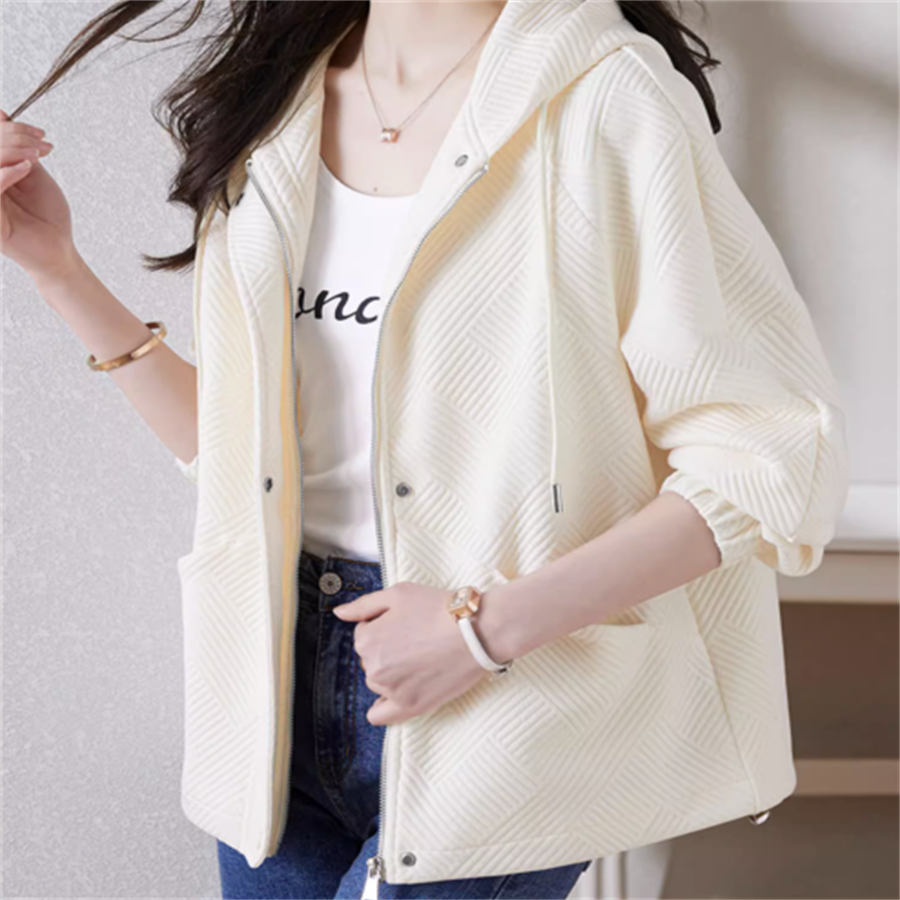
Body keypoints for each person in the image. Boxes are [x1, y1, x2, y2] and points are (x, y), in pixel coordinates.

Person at [1, 1, 849, 898]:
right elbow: (243, 462)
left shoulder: (606, 93)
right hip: (269, 696)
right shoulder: (277, 106)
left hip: (502, 695)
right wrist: (56, 267)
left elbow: (767, 451)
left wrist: (482, 631)